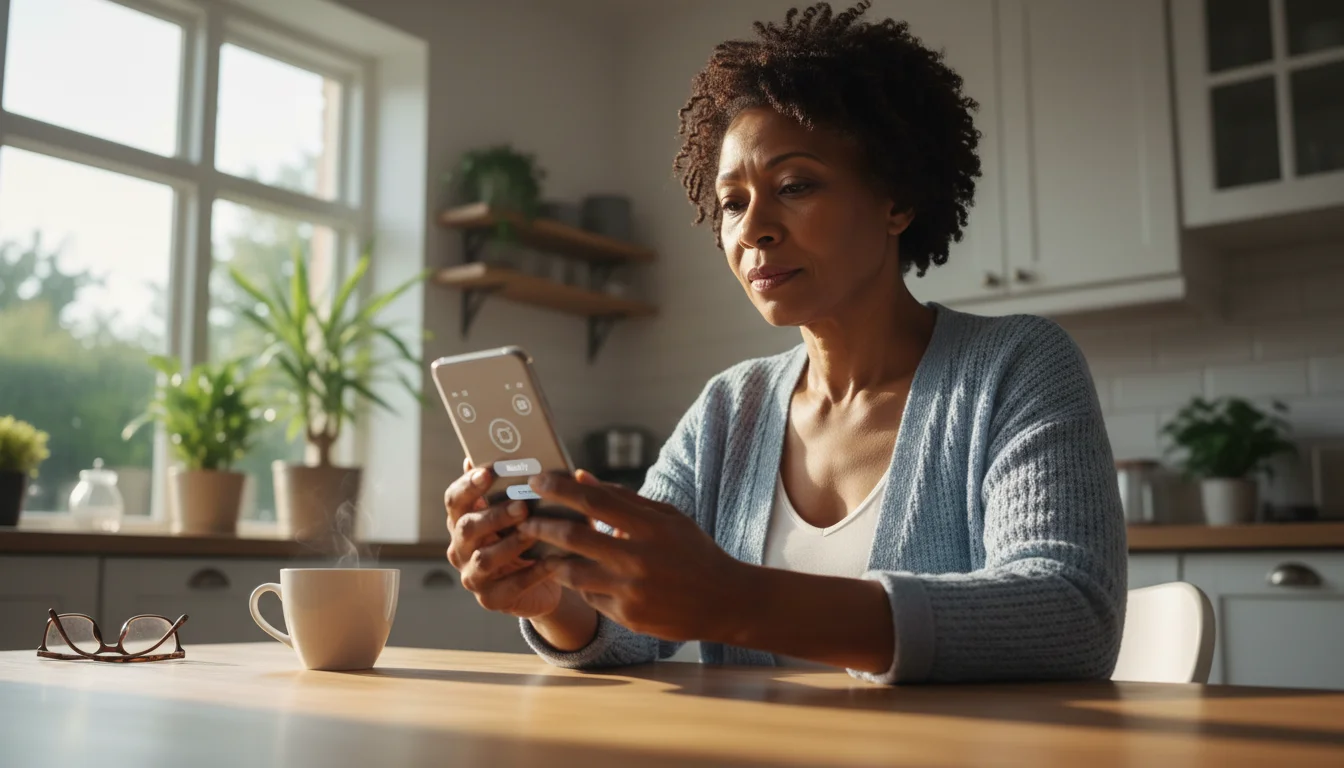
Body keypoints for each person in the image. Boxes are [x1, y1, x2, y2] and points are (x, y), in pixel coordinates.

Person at [442, 1, 1125, 684]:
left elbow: (1069, 615)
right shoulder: (728, 408)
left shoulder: (1016, 366)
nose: (753, 229)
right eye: (733, 201)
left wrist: (739, 601)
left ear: (897, 201)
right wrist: (555, 600)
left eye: (794, 186)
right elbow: (634, 624)